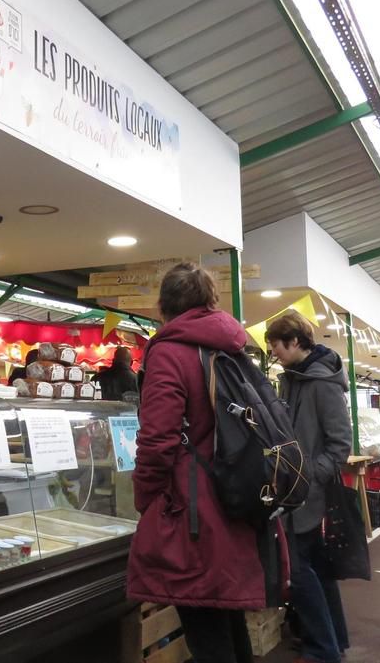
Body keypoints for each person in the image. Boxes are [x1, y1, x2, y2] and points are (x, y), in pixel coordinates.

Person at [129, 263, 262, 663]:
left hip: (192, 510)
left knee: (204, 625)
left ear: (163, 305)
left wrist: (145, 497)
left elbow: (157, 439)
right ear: (209, 300)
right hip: (236, 494)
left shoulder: (170, 351)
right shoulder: (233, 346)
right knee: (225, 614)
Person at [266, 310, 352, 663]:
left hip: (307, 492)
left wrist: (307, 474)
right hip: (295, 488)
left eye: (276, 345)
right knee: (315, 566)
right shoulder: (294, 377)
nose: (273, 352)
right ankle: (335, 639)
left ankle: (323, 648)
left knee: (297, 570)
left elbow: (340, 444)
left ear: (295, 341)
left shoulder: (320, 383)